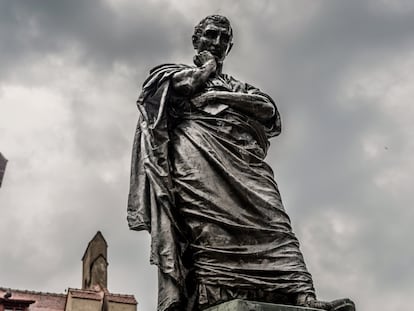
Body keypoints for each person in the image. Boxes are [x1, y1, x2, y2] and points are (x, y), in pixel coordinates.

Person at [128, 15, 355, 311]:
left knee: (275, 221)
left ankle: (302, 296)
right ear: (196, 40)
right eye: (211, 35)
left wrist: (222, 96)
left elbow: (269, 111)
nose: (217, 42)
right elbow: (184, 86)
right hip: (197, 156)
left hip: (245, 162)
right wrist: (208, 67)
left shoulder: (239, 86)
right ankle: (214, 295)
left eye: (224, 38)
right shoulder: (170, 73)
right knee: (208, 226)